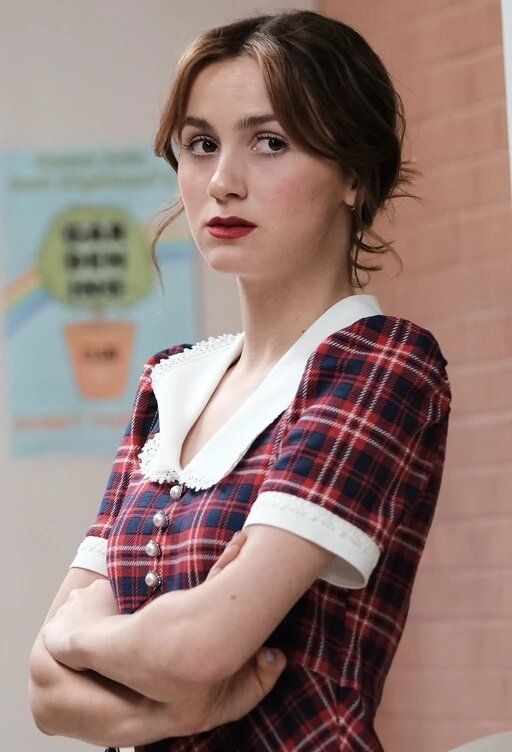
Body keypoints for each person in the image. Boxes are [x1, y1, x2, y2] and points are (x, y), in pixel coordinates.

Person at [29, 9, 452, 751]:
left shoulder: (380, 363)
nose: (222, 182)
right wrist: (176, 704)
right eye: (201, 145)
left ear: (354, 174)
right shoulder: (172, 381)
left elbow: (199, 648)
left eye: (270, 142)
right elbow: (45, 692)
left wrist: (85, 634)